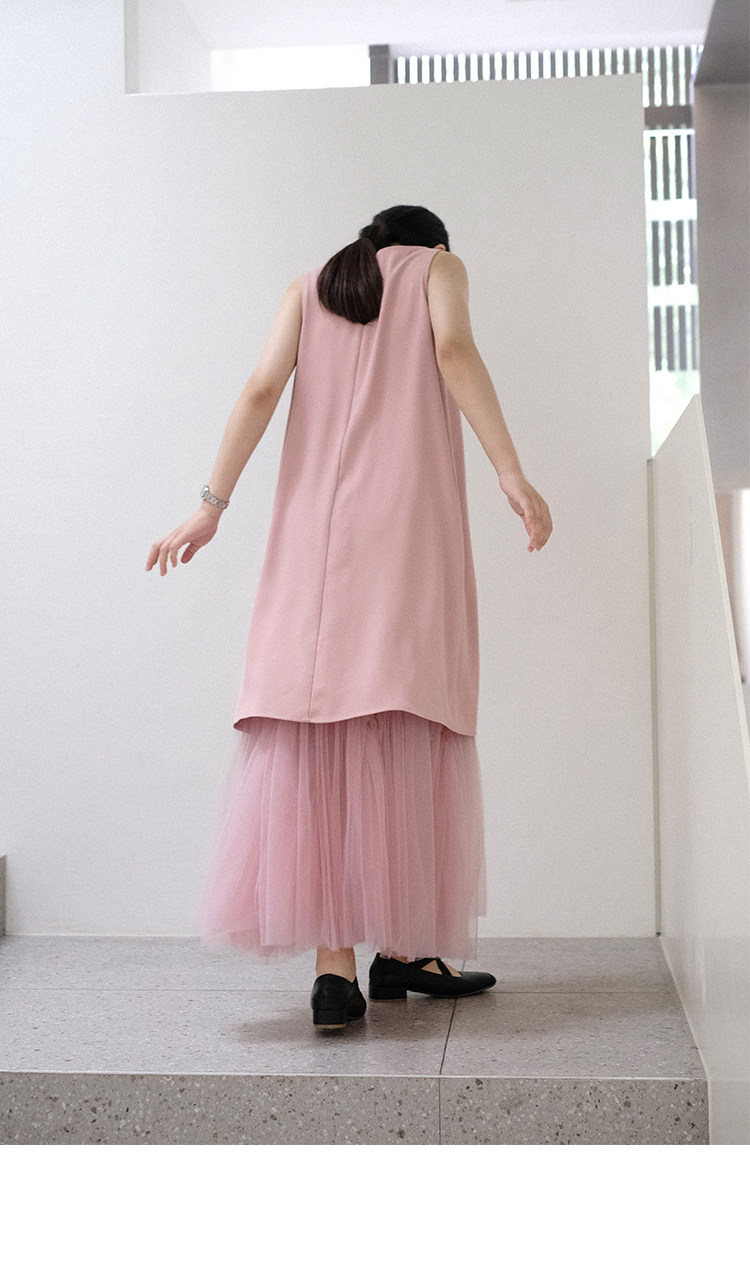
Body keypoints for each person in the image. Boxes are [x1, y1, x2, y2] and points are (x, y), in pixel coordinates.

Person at [146, 204, 553, 1033]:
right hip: (403, 531)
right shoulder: (438, 267)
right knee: (403, 714)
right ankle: (404, 946)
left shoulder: (308, 288)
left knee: (319, 724)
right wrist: (511, 471)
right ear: (432, 244)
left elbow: (261, 388)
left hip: (311, 538)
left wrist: (209, 507)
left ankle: (335, 972)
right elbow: (454, 350)